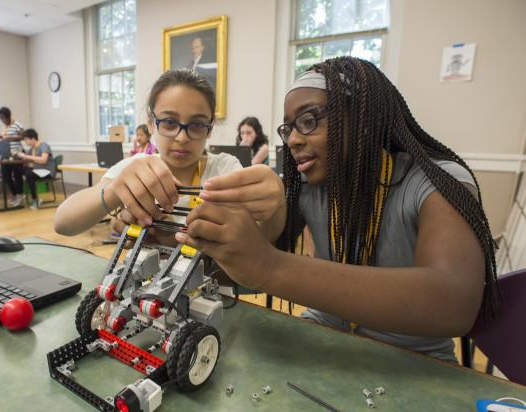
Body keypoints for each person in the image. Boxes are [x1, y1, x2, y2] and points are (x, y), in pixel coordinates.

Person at [175, 57, 498, 361]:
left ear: (363, 117)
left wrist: (268, 265)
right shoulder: (308, 188)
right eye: (289, 128)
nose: (293, 140)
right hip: (323, 339)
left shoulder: (437, 181)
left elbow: (452, 304)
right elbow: (235, 272)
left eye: (309, 120)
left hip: (414, 360)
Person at [54, 69, 243, 242]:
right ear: (151, 123)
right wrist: (114, 191)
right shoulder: (135, 168)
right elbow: (63, 223)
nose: (182, 137)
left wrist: (172, 240)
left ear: (209, 129)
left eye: (197, 125)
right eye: (169, 122)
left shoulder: (224, 169)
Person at [17, 128, 56, 210]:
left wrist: (26, 156)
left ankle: (35, 199)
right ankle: (19, 195)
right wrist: (19, 155)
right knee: (18, 170)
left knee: (29, 173)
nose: (25, 142)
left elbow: (43, 160)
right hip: (38, 171)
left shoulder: (44, 145)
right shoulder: (32, 149)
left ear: (33, 138)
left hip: (47, 172)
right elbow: (27, 158)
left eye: (26, 139)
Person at [0, 107, 25, 207]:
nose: (2, 120)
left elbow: (23, 136)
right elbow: (5, 139)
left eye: (3, 118)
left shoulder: (17, 125)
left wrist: (10, 137)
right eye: (0, 118)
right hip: (7, 155)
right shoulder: (5, 128)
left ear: (8, 117)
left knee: (17, 176)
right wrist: (0, 137)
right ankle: (15, 195)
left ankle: (20, 196)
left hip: (17, 155)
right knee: (5, 175)